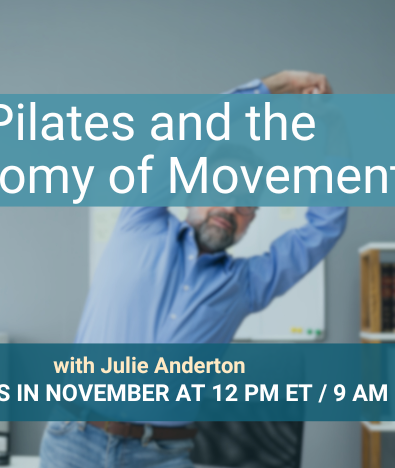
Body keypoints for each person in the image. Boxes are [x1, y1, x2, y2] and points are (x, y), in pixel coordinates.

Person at [39, 70, 347, 468]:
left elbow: (325, 226)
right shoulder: (140, 219)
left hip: (161, 455)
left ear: (251, 221)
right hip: (74, 441)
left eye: (246, 205)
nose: (231, 209)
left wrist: (335, 130)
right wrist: (273, 88)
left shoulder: (246, 284)